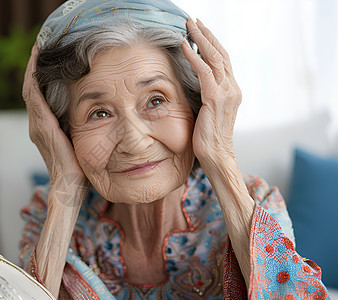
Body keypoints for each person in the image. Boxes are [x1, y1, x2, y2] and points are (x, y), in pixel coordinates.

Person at [19, 0, 329, 299]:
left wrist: (220, 158)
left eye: (156, 100)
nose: (134, 141)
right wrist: (65, 187)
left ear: (197, 107)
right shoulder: (47, 212)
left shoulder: (256, 201)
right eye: (99, 113)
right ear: (64, 131)